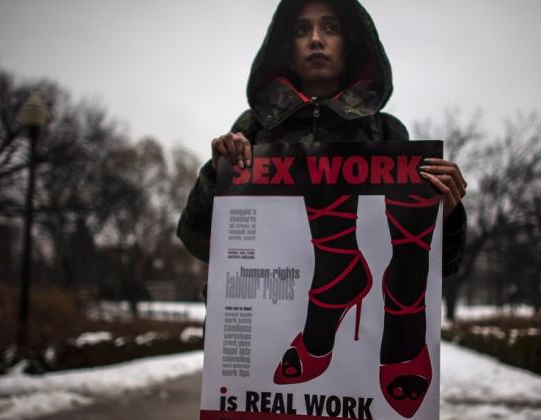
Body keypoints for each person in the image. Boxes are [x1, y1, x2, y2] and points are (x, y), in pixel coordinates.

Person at [178, 0, 466, 417]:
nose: (315, 38)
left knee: (410, 254)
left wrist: (450, 214)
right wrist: (218, 173)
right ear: (286, 47)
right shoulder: (253, 130)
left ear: (350, 42)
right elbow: (197, 240)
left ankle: (394, 296)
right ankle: (341, 280)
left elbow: (448, 264)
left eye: (329, 26)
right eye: (301, 30)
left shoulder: (386, 132)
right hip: (256, 336)